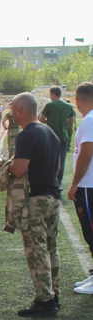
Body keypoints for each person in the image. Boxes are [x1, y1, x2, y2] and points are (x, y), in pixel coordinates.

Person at [10, 92, 62, 317]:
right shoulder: (49, 131)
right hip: (52, 196)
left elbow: (19, 169)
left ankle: (44, 300)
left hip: (35, 200)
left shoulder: (26, 135)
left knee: (36, 250)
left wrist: (8, 167)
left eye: (12, 109)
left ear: (20, 110)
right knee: (51, 247)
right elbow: (58, 167)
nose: (11, 113)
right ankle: (53, 294)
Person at [67, 82, 93, 294]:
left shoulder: (89, 120)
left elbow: (86, 154)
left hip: (88, 185)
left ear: (78, 100)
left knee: (91, 231)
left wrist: (75, 184)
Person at [40, 87, 76, 182]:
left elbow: (41, 120)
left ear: (52, 94)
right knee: (61, 160)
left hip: (50, 136)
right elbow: (71, 122)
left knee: (50, 159)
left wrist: (49, 121)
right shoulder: (69, 106)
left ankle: (50, 179)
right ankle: (58, 180)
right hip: (63, 136)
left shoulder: (49, 105)